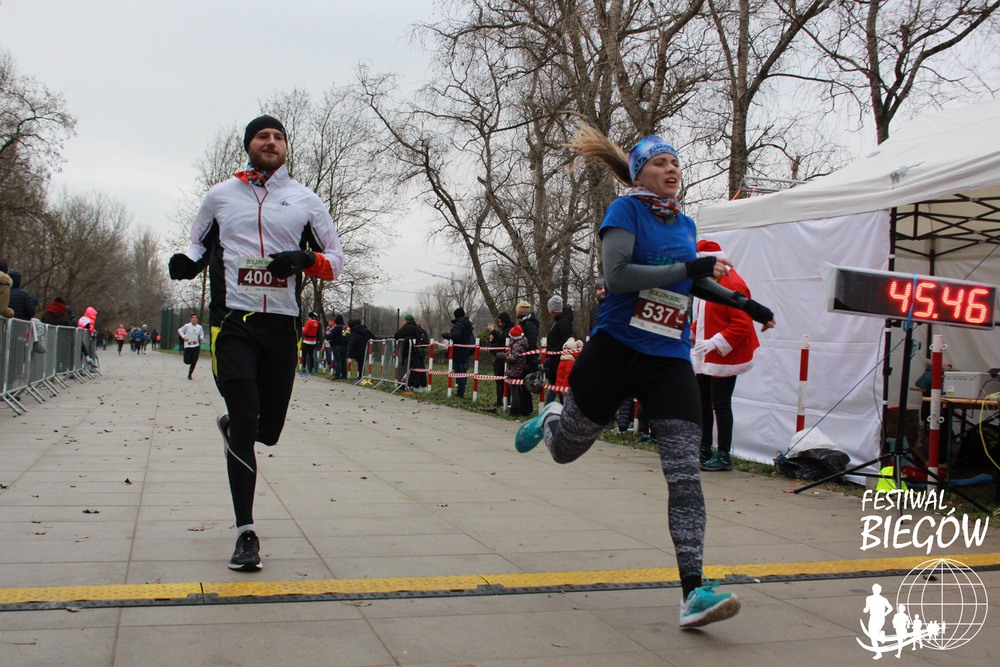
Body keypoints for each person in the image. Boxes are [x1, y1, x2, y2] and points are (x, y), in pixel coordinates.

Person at [514, 125, 775, 629]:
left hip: (668, 359)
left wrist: (744, 303)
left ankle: (693, 591)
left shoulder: (685, 223)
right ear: (640, 174)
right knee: (566, 451)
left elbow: (692, 281)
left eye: (675, 162)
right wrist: (690, 266)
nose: (671, 169)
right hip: (615, 351)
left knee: (685, 473)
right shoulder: (625, 212)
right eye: (660, 163)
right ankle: (550, 416)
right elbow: (619, 277)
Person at [168, 114, 344, 571]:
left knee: (267, 431)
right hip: (234, 322)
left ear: (286, 147)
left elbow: (336, 261)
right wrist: (185, 263)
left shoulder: (305, 200)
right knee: (247, 419)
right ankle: (246, 532)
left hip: (281, 326)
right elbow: (197, 244)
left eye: (278, 136)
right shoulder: (220, 196)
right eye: (262, 136)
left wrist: (304, 258)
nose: (271, 141)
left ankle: (236, 428)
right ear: (248, 144)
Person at [692, 239, 761, 472]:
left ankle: (723, 454)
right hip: (706, 354)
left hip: (723, 355)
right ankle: (703, 448)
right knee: (703, 402)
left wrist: (716, 342)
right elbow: (706, 317)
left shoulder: (733, 284)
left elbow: (743, 324)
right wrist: (690, 331)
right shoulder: (709, 283)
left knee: (720, 404)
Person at [543, 295, 574, 404]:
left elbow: (564, 341)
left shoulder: (564, 322)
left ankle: (553, 408)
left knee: (557, 388)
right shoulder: (558, 321)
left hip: (559, 361)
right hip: (554, 360)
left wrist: (553, 351)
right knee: (554, 387)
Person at [440, 307, 475, 398]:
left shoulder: (459, 325)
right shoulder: (467, 325)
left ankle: (460, 394)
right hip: (464, 352)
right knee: (462, 373)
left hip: (457, 352)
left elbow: (455, 336)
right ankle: (461, 392)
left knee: (459, 373)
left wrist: (445, 335)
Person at [483, 312, 513, 410]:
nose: (499, 324)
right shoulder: (502, 330)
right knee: (499, 381)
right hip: (498, 358)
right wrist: (492, 340)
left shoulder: (509, 330)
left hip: (504, 359)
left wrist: (494, 332)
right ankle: (499, 400)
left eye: (501, 322)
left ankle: (506, 401)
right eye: (498, 322)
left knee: (505, 382)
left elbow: (504, 340)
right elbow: (498, 341)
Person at [504, 324, 533, 416]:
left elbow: (514, 358)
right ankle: (517, 408)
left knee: (514, 391)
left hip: (515, 370)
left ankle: (515, 409)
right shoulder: (522, 343)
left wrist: (505, 357)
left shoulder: (516, 346)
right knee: (517, 390)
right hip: (519, 369)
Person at [394, 313, 421, 387]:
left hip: (405, 351)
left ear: (406, 320)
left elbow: (396, 335)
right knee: (413, 368)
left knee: (403, 366)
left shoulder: (405, 327)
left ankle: (401, 384)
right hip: (415, 351)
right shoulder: (416, 328)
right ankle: (412, 384)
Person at [178, 314, 205, 380]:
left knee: (194, 360)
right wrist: (184, 337)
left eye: (195, 318)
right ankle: (188, 360)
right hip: (188, 345)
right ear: (190, 319)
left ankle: (190, 375)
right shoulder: (187, 326)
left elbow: (202, 334)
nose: (194, 319)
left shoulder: (199, 327)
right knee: (187, 361)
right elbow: (179, 330)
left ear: (197, 319)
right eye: (192, 317)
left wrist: (201, 337)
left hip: (196, 345)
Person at [327, 314, 349, 379]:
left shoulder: (336, 328)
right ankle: (344, 375)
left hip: (337, 346)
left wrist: (327, 334)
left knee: (337, 361)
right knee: (344, 361)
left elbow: (331, 336)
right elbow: (347, 336)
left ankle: (337, 375)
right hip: (345, 346)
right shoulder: (346, 327)